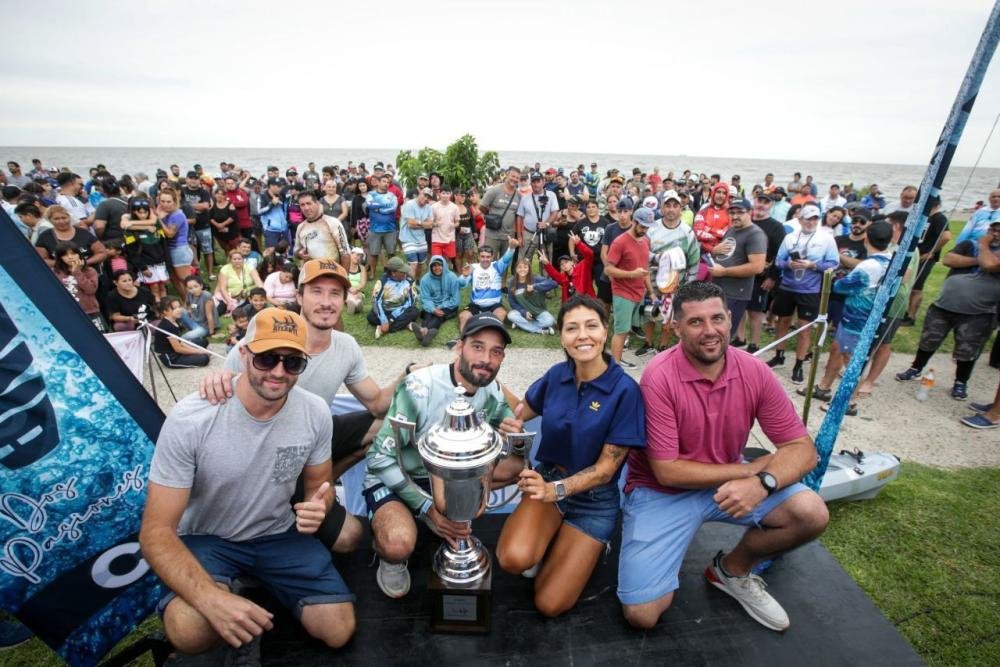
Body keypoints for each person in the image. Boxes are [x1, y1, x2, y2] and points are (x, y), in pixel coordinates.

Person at [140, 308, 355, 658]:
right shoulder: (192, 418)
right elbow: (155, 532)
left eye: (292, 362)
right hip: (208, 537)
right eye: (266, 358)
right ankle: (230, 594)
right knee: (190, 631)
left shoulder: (315, 412)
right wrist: (211, 600)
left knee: (338, 630)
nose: (278, 372)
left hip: (278, 534)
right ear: (243, 354)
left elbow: (320, 485)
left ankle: (254, 592)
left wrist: (321, 506)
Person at [617, 281, 829, 631]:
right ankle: (629, 509)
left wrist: (762, 481)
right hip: (662, 490)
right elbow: (667, 471)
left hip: (727, 478)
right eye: (695, 322)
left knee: (811, 513)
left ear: (731, 319)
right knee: (642, 614)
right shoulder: (659, 376)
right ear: (676, 327)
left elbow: (804, 450)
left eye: (717, 318)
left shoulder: (754, 370)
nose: (710, 330)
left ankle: (731, 571)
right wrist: (752, 471)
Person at [496, 295, 644, 615]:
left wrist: (555, 491)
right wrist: (493, 388)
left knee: (549, 604)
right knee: (513, 559)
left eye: (591, 326)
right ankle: (551, 537)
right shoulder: (556, 375)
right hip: (548, 479)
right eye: (572, 328)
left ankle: (580, 546)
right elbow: (522, 409)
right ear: (562, 337)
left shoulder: (625, 391)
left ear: (605, 330)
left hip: (594, 501)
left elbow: (605, 471)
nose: (582, 335)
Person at [363, 313, 526, 598]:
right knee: (397, 543)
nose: (486, 359)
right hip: (401, 474)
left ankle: (459, 514)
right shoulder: (419, 387)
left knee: (515, 465)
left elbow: (512, 444)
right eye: (478, 347)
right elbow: (379, 458)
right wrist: (427, 508)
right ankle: (391, 556)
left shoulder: (492, 390)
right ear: (459, 347)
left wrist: (516, 439)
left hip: (445, 478)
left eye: (496, 352)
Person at [895, 220, 1000, 400]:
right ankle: (916, 368)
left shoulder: (982, 246)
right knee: (929, 340)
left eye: (999, 231)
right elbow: (948, 259)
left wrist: (983, 246)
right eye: (993, 229)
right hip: (945, 305)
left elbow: (990, 265)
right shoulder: (969, 245)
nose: (995, 234)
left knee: (967, 350)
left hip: (978, 312)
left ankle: (960, 382)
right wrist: (979, 258)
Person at [804, 222, 895, 415]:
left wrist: (835, 278)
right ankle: (828, 389)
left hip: (857, 319)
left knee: (850, 359)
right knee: (842, 351)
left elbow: (842, 286)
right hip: (870, 316)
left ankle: (848, 401)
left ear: (866, 238)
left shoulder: (869, 265)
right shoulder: (892, 261)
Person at [767, 204, 840, 384]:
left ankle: (798, 365)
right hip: (787, 287)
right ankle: (779, 355)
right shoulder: (790, 237)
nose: (811, 222)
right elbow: (778, 260)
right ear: (800, 220)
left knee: (803, 328)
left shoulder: (826, 239)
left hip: (810, 290)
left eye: (815, 219)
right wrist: (788, 265)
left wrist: (813, 265)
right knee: (782, 322)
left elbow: (834, 263)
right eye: (808, 218)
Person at [706, 198, 767, 343]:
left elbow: (757, 267)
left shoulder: (755, 234)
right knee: (713, 333)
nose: (735, 216)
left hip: (735, 293)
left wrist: (724, 272)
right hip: (719, 290)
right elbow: (726, 255)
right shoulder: (732, 230)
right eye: (732, 212)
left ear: (750, 212)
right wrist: (714, 251)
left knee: (722, 336)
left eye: (740, 212)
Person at [604, 205, 654, 370]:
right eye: (642, 226)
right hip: (622, 292)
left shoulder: (645, 240)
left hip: (639, 292)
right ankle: (615, 367)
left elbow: (645, 269)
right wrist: (632, 274)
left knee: (626, 331)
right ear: (634, 221)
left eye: (647, 227)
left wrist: (651, 292)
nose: (645, 230)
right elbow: (608, 269)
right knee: (621, 331)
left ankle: (617, 360)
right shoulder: (620, 242)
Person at [903, 196, 951, 325]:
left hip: (925, 258)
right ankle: (906, 312)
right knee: (911, 285)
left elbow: (946, 236)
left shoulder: (939, 218)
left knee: (917, 288)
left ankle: (911, 316)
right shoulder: (927, 218)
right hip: (917, 255)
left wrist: (932, 251)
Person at [456, 237, 521, 331]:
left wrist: (511, 248)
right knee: (463, 316)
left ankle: (491, 332)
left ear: (492, 257)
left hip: (494, 305)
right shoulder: (473, 267)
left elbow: (506, 258)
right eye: (482, 256)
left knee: (501, 314)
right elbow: (461, 284)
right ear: (478, 257)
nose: (485, 259)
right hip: (476, 305)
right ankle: (463, 337)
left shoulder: (497, 266)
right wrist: (464, 276)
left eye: (488, 257)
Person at [51, 242, 104, 331]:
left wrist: (77, 272)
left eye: (73, 253)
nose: (70, 257)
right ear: (60, 258)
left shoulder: (89, 271)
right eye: (65, 255)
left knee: (101, 335)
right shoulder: (55, 273)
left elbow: (91, 290)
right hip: (68, 313)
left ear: (79, 254)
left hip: (90, 311)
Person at [35, 204, 107, 269]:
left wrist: (85, 263)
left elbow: (101, 252)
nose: (61, 221)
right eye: (56, 219)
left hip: (89, 272)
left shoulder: (83, 233)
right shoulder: (45, 237)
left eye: (64, 218)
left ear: (69, 217)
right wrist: (62, 264)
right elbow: (41, 259)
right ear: (50, 220)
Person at [367, 256, 419, 339]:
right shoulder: (382, 281)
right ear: (393, 273)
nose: (405, 272)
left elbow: (411, 301)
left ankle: (383, 329)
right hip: (386, 310)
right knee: (370, 317)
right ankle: (405, 324)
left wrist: (392, 318)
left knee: (415, 311)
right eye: (402, 271)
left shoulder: (409, 280)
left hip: (402, 310)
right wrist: (383, 319)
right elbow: (376, 301)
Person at [151, 296, 211, 369]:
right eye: (174, 308)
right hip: (172, 357)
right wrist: (200, 352)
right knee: (204, 359)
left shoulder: (174, 320)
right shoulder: (167, 326)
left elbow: (180, 342)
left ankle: (196, 352)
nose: (179, 310)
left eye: (179, 307)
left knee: (203, 341)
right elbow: (178, 349)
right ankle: (196, 354)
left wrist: (198, 350)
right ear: (165, 311)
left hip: (176, 349)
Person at [156, 186, 194, 300]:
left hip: (179, 250)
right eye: (162, 201)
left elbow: (170, 234)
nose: (165, 204)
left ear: (174, 201)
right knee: (175, 280)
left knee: (185, 281)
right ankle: (186, 302)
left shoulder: (178, 215)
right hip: (169, 250)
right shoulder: (165, 213)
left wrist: (158, 219)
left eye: (168, 202)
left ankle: (196, 302)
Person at [480, 167, 522, 268]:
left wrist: (519, 235)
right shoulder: (494, 190)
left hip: (508, 236)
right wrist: (490, 217)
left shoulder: (518, 195)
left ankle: (502, 279)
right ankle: (489, 278)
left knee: (505, 263)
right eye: (513, 176)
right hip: (492, 235)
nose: (514, 179)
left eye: (517, 178)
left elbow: (518, 215)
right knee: (489, 261)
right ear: (507, 175)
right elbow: (482, 206)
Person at [415, 255, 461, 346]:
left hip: (448, 305)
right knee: (428, 314)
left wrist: (440, 307)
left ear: (444, 265)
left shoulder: (452, 277)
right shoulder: (425, 280)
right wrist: (433, 309)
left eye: (439, 265)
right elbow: (425, 298)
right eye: (434, 265)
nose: (437, 268)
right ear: (430, 266)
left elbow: (455, 300)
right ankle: (428, 332)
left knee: (439, 315)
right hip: (431, 305)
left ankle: (423, 331)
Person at [295, 190, 350, 264]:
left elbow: (345, 253)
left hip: (333, 269)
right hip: (310, 269)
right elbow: (296, 250)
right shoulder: (300, 227)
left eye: (309, 203)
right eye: (302, 205)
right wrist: (299, 254)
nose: (306, 208)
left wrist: (344, 271)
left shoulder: (333, 223)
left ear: (317, 203)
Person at [515, 172, 560, 262]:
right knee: (523, 261)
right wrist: (519, 236)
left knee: (546, 262)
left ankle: (545, 272)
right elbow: (519, 217)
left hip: (545, 233)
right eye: (533, 182)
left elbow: (554, 212)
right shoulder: (525, 198)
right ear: (530, 183)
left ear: (543, 182)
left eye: (538, 181)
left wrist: (547, 223)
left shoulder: (551, 195)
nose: (536, 184)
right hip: (528, 234)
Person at [507, 258, 558, 334]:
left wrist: (535, 286)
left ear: (529, 269)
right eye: (519, 267)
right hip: (524, 313)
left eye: (525, 267)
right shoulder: (512, 282)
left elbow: (554, 283)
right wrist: (523, 312)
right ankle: (541, 330)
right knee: (511, 315)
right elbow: (512, 302)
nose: (522, 269)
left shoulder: (535, 279)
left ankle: (521, 324)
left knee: (549, 321)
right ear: (516, 269)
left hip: (539, 312)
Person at [539, 232, 595, 301]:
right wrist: (547, 263)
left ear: (572, 262)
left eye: (566, 262)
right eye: (562, 264)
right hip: (570, 305)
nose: (564, 265)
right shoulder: (563, 279)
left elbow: (590, 255)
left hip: (587, 302)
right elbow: (554, 274)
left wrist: (579, 243)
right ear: (561, 268)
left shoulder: (582, 268)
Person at [366, 175, 400, 277]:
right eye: (384, 181)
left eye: (388, 182)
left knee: (391, 253)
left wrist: (379, 208)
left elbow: (393, 208)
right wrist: (385, 204)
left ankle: (392, 273)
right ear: (378, 182)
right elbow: (370, 205)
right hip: (374, 229)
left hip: (390, 229)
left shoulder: (392, 196)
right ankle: (372, 274)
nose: (386, 184)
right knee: (373, 253)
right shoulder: (371, 194)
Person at [215, 248, 264, 316]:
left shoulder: (249, 267)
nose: (237, 261)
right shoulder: (225, 269)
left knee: (249, 306)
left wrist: (262, 293)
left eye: (239, 259)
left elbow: (258, 282)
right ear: (230, 260)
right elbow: (222, 288)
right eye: (234, 259)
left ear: (243, 259)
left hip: (247, 296)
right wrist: (229, 301)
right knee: (219, 310)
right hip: (228, 296)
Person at [399, 187, 434, 279]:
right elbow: (411, 224)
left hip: (421, 239)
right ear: (420, 194)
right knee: (413, 264)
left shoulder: (429, 208)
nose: (426, 198)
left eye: (429, 197)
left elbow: (430, 225)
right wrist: (424, 224)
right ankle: (410, 284)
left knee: (420, 264)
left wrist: (417, 222)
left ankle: (417, 282)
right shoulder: (409, 205)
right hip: (407, 238)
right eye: (425, 195)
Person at [208, 187, 240, 253]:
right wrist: (217, 225)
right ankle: (228, 258)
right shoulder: (212, 205)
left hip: (231, 231)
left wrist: (222, 224)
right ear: (215, 195)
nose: (219, 195)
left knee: (235, 249)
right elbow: (210, 217)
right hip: (219, 232)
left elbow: (233, 217)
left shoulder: (230, 204)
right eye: (218, 193)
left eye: (222, 194)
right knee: (226, 248)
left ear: (225, 196)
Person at [345, 247, 367, 314]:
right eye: (357, 255)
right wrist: (350, 289)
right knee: (348, 294)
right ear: (351, 255)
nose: (358, 258)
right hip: (347, 289)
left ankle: (352, 303)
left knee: (358, 295)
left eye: (360, 256)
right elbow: (344, 280)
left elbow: (363, 283)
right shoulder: (345, 266)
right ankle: (357, 303)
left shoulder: (362, 268)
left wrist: (356, 289)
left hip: (358, 290)